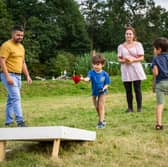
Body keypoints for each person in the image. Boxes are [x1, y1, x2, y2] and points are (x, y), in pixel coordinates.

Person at [0, 25, 32, 127]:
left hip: (18, 76)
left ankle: (8, 121)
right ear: (12, 34)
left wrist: (27, 76)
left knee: (11, 99)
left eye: (22, 35)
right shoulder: (6, 45)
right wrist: (7, 76)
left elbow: (23, 63)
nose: (20, 37)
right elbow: (2, 61)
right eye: (18, 35)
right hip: (8, 74)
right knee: (16, 98)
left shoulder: (21, 47)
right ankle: (20, 121)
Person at [117, 26, 146, 112]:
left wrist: (133, 59)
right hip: (126, 69)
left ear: (133, 35)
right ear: (125, 35)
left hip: (136, 68)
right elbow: (119, 59)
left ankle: (139, 108)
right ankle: (130, 108)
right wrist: (124, 60)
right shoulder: (121, 46)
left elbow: (142, 58)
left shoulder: (138, 45)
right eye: (127, 34)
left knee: (137, 89)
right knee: (128, 90)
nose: (128, 35)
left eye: (130, 34)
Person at [80, 53, 110, 128]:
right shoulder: (91, 72)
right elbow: (88, 79)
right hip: (94, 92)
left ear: (102, 65)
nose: (95, 66)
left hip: (102, 92)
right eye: (94, 64)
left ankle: (101, 123)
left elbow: (107, 84)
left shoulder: (105, 74)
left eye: (97, 64)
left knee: (101, 106)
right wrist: (83, 79)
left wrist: (104, 88)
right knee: (97, 107)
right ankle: (102, 119)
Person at [151, 37, 168, 130]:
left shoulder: (155, 59)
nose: (153, 50)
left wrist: (154, 83)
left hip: (160, 84)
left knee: (160, 104)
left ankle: (159, 124)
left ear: (159, 49)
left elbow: (156, 73)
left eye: (154, 48)